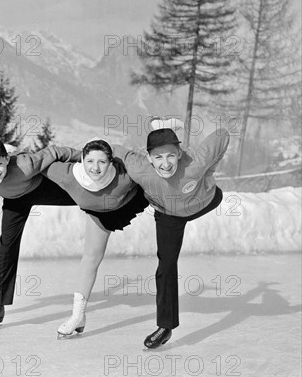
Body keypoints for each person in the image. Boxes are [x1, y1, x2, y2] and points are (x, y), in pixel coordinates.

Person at [111, 118, 230, 348]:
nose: (165, 164)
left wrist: (211, 164)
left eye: (170, 156)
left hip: (205, 200)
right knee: (165, 266)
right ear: (149, 158)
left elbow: (223, 134)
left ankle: (168, 133)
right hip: (168, 214)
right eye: (158, 157)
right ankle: (165, 326)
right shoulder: (140, 168)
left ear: (180, 153)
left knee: (204, 173)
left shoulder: (195, 161)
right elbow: (114, 150)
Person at [0, 138, 81, 328]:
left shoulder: (25, 165)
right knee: (6, 248)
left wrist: (88, 156)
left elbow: (55, 151)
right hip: (15, 201)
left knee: (89, 198)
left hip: (41, 188)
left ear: (6, 159)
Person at [42, 139, 149, 338]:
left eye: (102, 162)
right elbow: (36, 163)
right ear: (82, 160)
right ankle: (78, 316)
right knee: (90, 258)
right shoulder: (67, 175)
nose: (95, 168)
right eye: (90, 161)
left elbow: (154, 170)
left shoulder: (125, 176)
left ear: (111, 162)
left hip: (130, 202)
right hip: (99, 213)